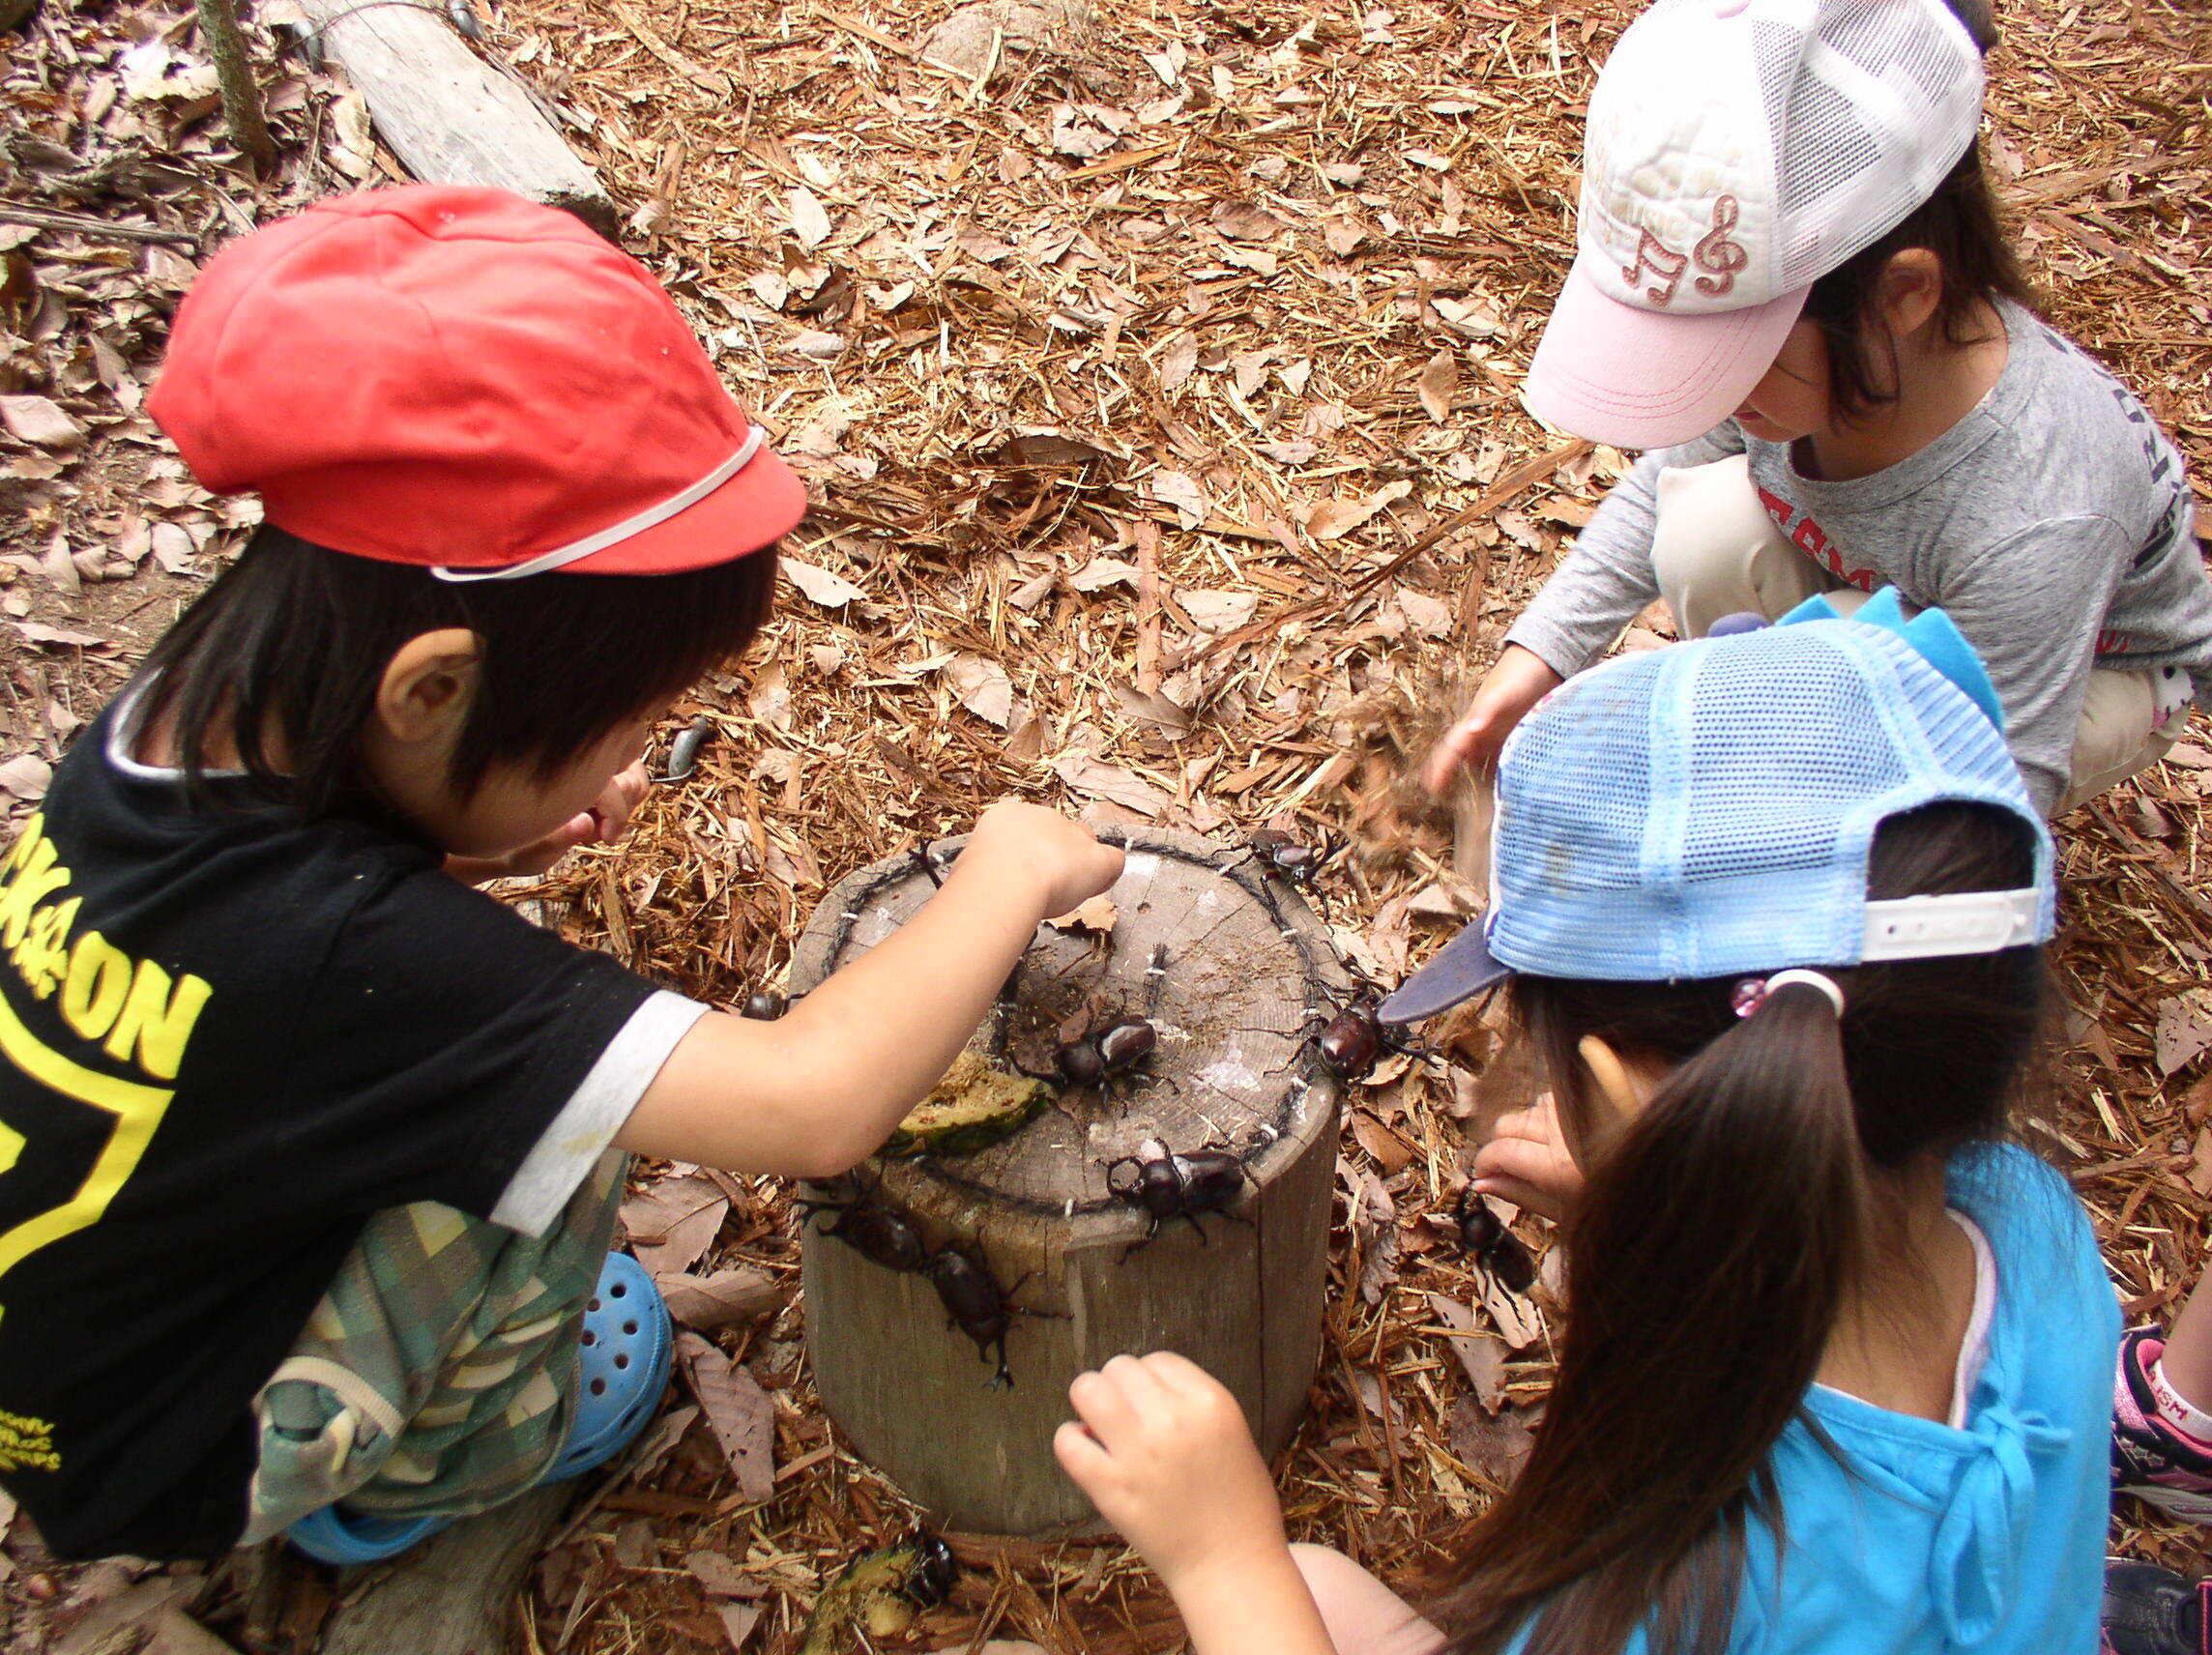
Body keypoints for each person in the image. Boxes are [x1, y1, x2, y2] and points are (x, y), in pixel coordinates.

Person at [0, 186, 1122, 1565]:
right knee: (564, 1131)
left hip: (82, 1340)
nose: (633, 757)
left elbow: (274, 951)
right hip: (177, 1459)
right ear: (428, 694)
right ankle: (431, 1466)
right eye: (620, 720)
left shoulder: (169, 723)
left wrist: (464, 825)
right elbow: (813, 1104)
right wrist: (1004, 873)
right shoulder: (357, 961)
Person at [1055, 602, 2114, 1654]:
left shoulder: (1673, 1591)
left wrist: (1221, 1560)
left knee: (1296, 1583)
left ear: (1615, 1087)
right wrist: (1647, 1179)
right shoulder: (2035, 1227)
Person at [1421, 0, 2212, 818]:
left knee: (1850, 684)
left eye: (1732, 360)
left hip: (2089, 670)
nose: (1717, 393)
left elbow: (2003, 790)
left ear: (1902, 294)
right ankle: (1802, 743)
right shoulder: (1839, 363)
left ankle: (1824, 779)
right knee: (1702, 530)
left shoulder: (2040, 510)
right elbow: (1660, 490)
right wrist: (1534, 666)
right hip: (1893, 574)